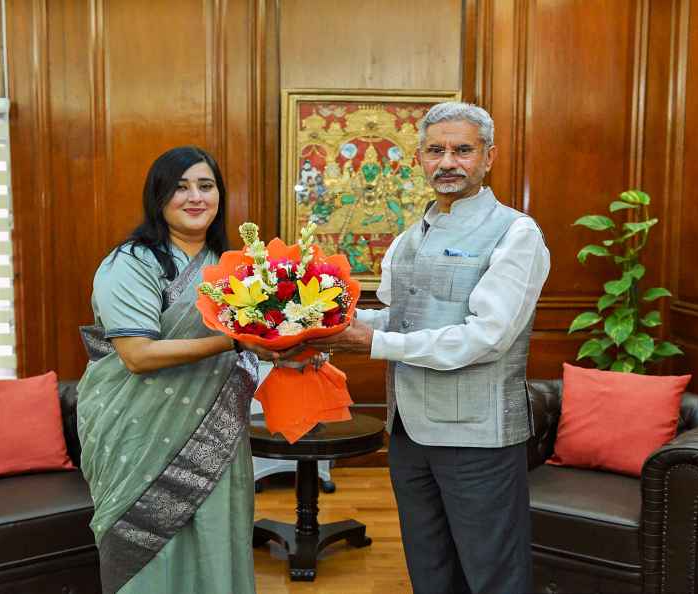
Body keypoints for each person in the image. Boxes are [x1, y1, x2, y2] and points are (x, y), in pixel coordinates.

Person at [308, 102, 551, 594]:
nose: (448, 162)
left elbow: (486, 337)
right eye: (436, 150)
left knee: (493, 576)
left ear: (489, 157)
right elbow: (395, 318)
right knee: (430, 568)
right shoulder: (408, 236)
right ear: (418, 158)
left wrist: (371, 341)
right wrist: (323, 327)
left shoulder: (516, 233)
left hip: (477, 437)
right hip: (409, 433)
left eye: (463, 150)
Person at [76, 146, 276, 594]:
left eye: (206, 186)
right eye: (180, 187)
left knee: (216, 536)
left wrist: (296, 346)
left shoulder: (234, 268)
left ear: (220, 196)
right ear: (159, 197)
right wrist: (235, 340)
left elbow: (260, 340)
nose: (195, 197)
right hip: (137, 428)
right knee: (150, 549)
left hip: (217, 431)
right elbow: (137, 355)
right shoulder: (131, 263)